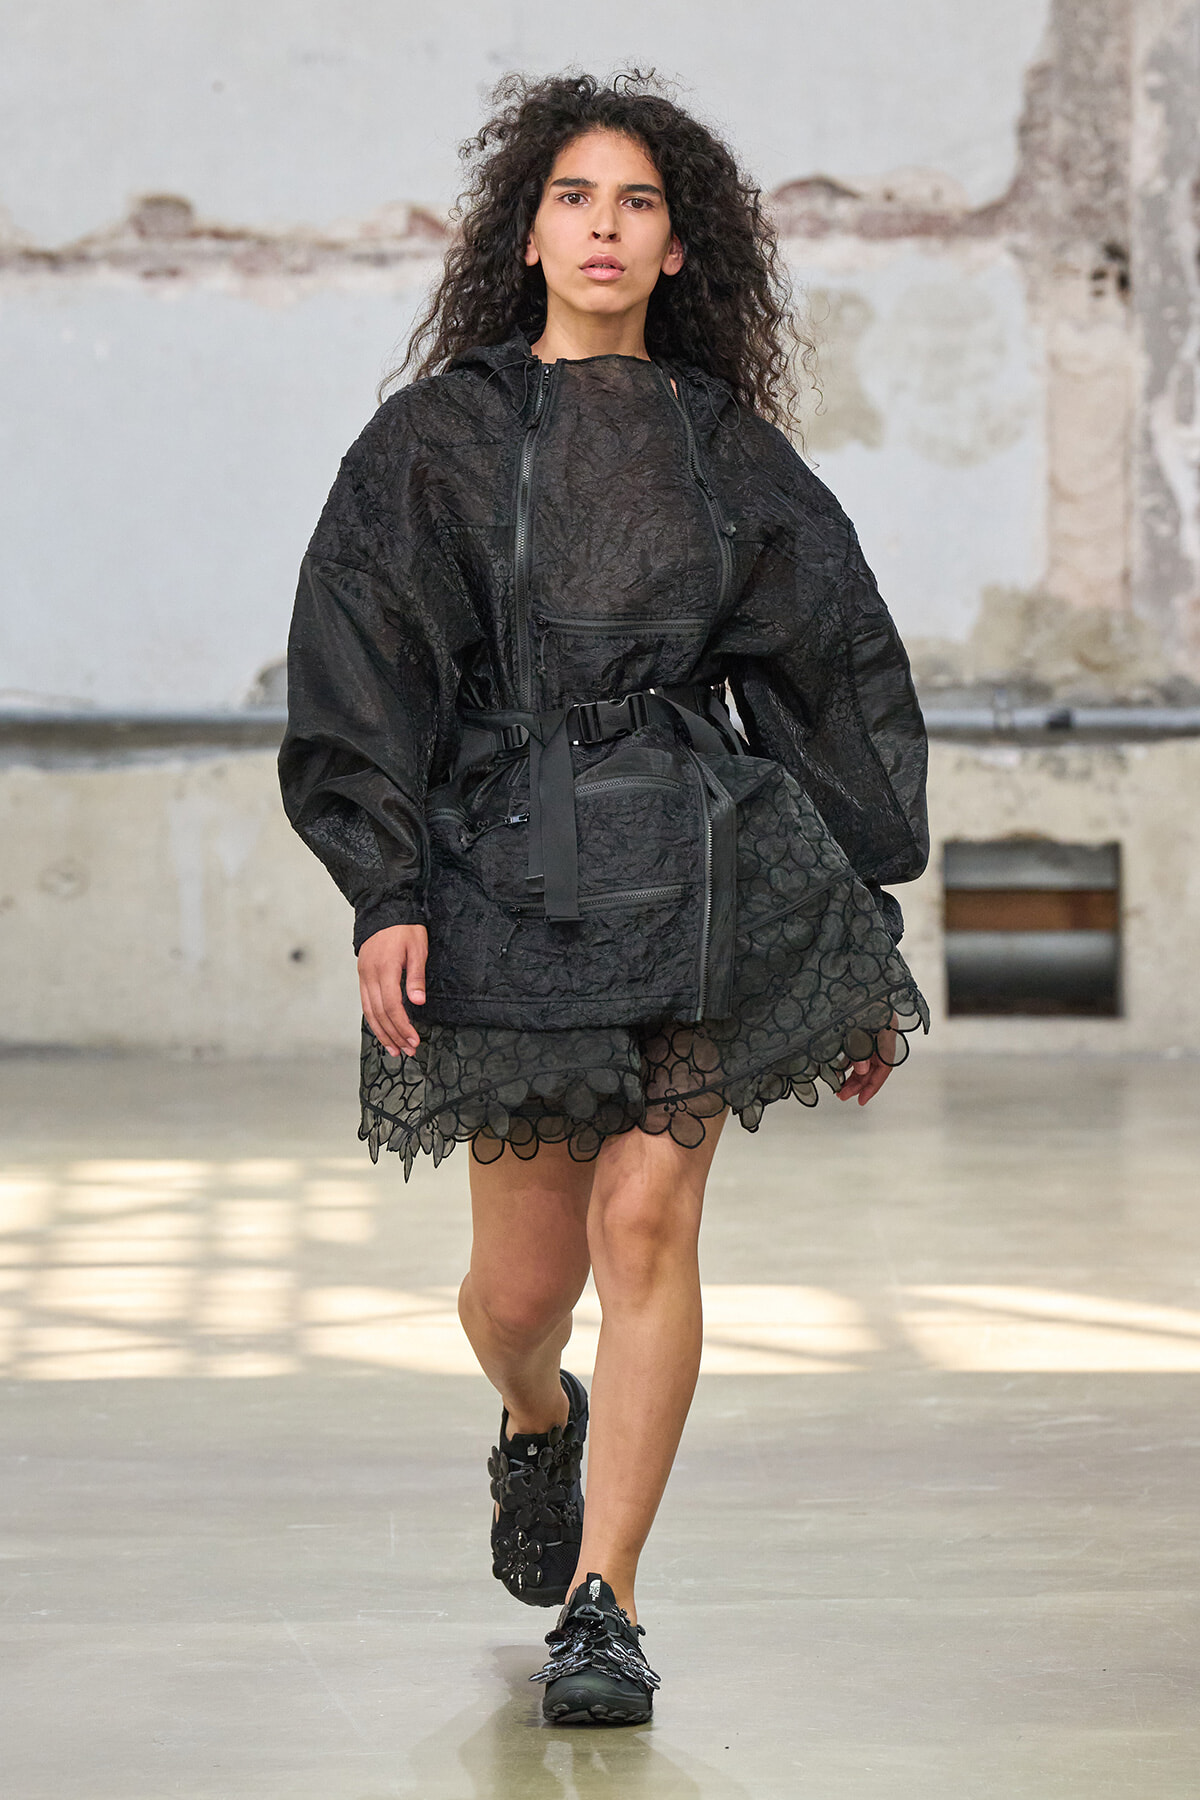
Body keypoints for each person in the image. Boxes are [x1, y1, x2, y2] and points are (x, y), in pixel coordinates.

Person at [279, 70, 929, 1727]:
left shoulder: (727, 452)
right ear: (527, 230)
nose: (605, 226)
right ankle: (532, 1419)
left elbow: (833, 675)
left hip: (690, 860)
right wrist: (383, 888)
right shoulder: (435, 440)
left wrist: (856, 929)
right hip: (499, 869)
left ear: (680, 249)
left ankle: (606, 1602)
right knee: (517, 1294)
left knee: (648, 1223)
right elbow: (362, 670)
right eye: (577, 195)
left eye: (639, 202)